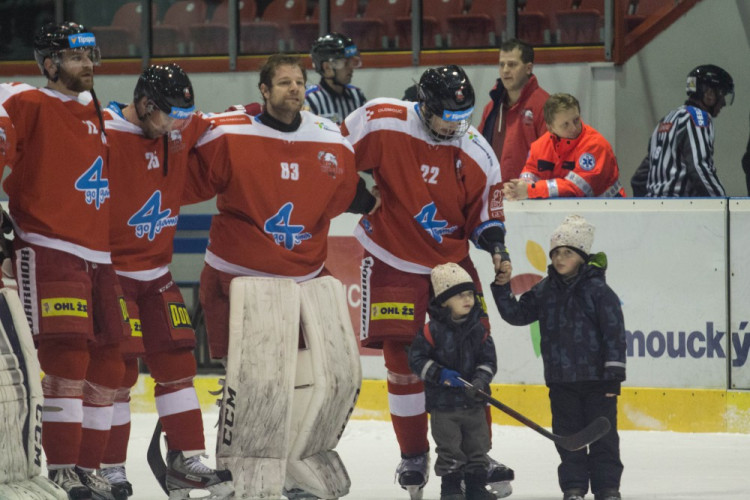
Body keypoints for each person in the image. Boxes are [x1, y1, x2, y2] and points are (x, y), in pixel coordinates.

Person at [341, 64, 514, 499]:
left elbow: (486, 212)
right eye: (448, 118)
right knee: (402, 364)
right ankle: (414, 453)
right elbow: (330, 155)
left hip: (450, 265)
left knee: (471, 358)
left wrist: (496, 248)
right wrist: (358, 196)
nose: (458, 126)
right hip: (391, 257)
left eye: (465, 116)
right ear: (426, 106)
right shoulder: (382, 119)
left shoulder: (476, 150)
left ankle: (478, 452)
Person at [0, 21, 131, 499]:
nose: (88, 66)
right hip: (49, 247)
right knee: (66, 359)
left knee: (111, 363)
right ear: (49, 63)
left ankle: (88, 466)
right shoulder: (26, 102)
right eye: (76, 58)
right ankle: (62, 468)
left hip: (98, 254)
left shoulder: (95, 110)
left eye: (91, 56)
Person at [183, 53, 378, 363]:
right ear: (264, 90)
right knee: (245, 376)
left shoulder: (329, 137)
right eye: (284, 82)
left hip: (304, 279)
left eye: (299, 82)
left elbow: (345, 191)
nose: (294, 89)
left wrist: (371, 201)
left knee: (310, 372)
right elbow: (185, 176)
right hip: (237, 276)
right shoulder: (229, 133)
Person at [98, 64, 233, 499]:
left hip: (157, 272)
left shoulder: (178, 125)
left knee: (178, 366)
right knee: (117, 374)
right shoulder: (101, 132)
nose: (177, 124)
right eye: (169, 116)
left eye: (182, 115)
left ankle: (185, 458)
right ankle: (109, 467)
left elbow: (214, 125)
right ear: (144, 103)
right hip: (111, 273)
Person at [492, 215, 626, 500]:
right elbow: (517, 315)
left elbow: (614, 335)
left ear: (581, 256)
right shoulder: (544, 290)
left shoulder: (599, 292)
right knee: (568, 439)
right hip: (561, 381)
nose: (559, 257)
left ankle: (607, 488)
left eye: (567, 252)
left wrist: (613, 379)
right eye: (555, 252)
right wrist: (502, 287)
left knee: (604, 438)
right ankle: (574, 487)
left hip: (597, 383)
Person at [408, 263, 498, 500]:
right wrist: (439, 374)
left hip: (474, 404)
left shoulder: (478, 330)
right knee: (450, 450)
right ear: (444, 300)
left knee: (478, 447)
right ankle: (451, 489)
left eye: (470, 294)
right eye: (460, 295)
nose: (467, 299)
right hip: (443, 407)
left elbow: (488, 360)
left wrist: (481, 379)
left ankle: (476, 488)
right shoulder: (431, 331)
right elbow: (416, 359)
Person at [632, 64, 734, 197]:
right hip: (680, 212)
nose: (724, 102)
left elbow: (639, 179)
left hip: (653, 209)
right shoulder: (697, 117)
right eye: (722, 93)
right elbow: (699, 168)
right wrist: (722, 204)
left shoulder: (666, 121)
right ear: (709, 94)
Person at [503, 93, 626, 200]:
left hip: (608, 212)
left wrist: (530, 190)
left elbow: (576, 189)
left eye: (576, 120)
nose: (573, 128)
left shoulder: (595, 145)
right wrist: (517, 188)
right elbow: (529, 173)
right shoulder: (539, 147)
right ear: (550, 128)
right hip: (566, 213)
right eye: (565, 124)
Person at [478, 38, 549, 184]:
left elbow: (550, 157)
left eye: (512, 65)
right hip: (494, 196)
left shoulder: (545, 106)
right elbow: (478, 151)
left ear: (528, 68)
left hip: (530, 197)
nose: (505, 70)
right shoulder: (491, 108)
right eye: (501, 64)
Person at [304, 32, 366, 124]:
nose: (351, 67)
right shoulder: (310, 99)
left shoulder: (357, 95)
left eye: (352, 62)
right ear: (327, 67)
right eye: (345, 63)